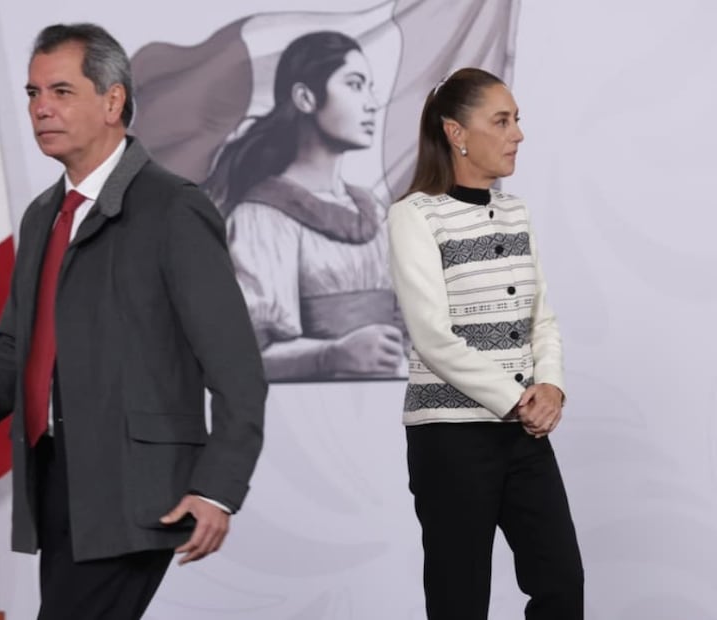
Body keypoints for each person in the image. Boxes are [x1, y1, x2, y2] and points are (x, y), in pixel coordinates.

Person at [0, 23, 266, 620]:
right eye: (32, 94)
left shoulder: (174, 207)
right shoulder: (42, 216)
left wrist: (216, 489)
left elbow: (236, 370)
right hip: (55, 478)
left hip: (137, 490)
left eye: (60, 91)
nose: (41, 109)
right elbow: (15, 347)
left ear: (113, 101)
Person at [386, 67, 583, 619]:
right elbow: (431, 335)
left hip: (522, 434)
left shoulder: (516, 212)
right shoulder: (415, 217)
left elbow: (541, 316)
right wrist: (518, 396)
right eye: (502, 120)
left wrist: (551, 387)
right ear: (456, 133)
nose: (517, 133)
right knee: (459, 599)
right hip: (450, 440)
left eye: (517, 119)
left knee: (561, 584)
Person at [203, 31, 407, 382]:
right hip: (307, 418)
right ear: (305, 97)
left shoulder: (373, 209)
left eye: (370, 87)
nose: (372, 102)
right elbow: (242, 354)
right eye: (355, 85)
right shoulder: (262, 218)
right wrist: (333, 355)